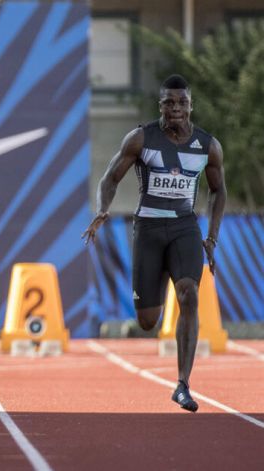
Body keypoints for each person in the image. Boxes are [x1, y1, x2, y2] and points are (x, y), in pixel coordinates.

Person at [82, 74, 226, 412]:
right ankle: (157, 283)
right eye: (169, 103)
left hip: (184, 229)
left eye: (182, 103)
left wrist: (212, 237)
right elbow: (110, 178)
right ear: (160, 105)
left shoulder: (208, 146)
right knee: (148, 320)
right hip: (147, 229)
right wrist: (103, 210)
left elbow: (219, 190)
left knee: (189, 295)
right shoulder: (141, 139)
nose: (175, 109)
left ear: (191, 106)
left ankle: (183, 385)